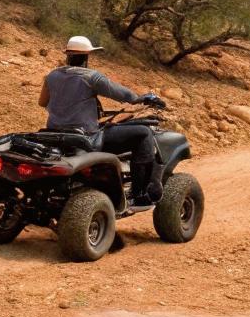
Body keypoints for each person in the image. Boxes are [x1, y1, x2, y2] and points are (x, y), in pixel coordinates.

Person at [39, 36, 167, 206]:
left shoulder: (52, 76)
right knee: (144, 133)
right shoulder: (91, 77)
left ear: (68, 55)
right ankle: (140, 193)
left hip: (54, 134)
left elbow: (42, 102)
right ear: (86, 56)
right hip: (87, 137)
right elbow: (120, 93)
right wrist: (141, 98)